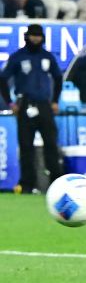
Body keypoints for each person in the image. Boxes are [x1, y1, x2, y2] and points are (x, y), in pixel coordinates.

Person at [0, 24, 63, 194]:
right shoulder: (18, 57)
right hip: (25, 104)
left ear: (43, 38)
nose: (36, 38)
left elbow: (58, 78)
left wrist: (55, 101)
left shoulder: (47, 57)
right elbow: (2, 79)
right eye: (33, 35)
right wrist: (11, 103)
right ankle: (27, 184)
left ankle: (57, 182)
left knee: (51, 143)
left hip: (44, 104)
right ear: (27, 37)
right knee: (26, 146)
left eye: (39, 36)